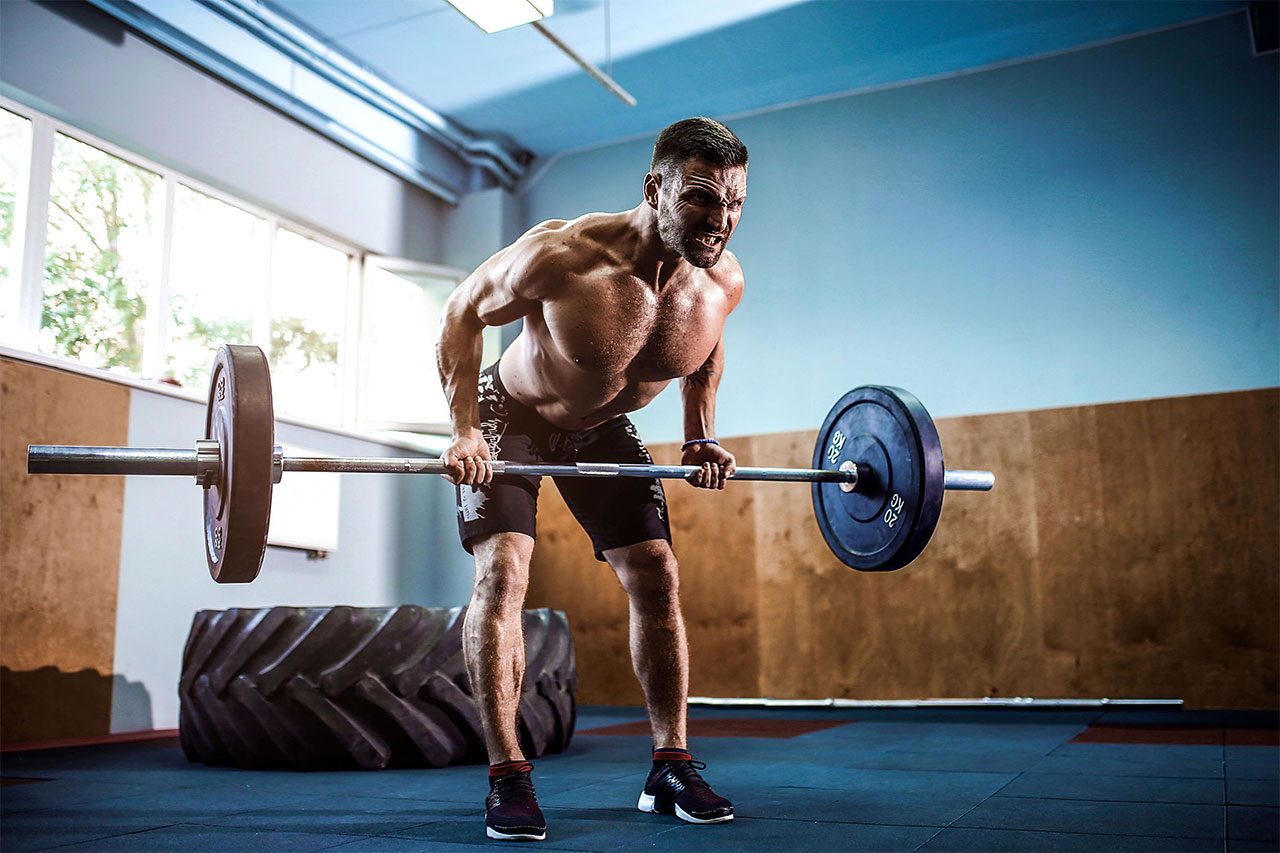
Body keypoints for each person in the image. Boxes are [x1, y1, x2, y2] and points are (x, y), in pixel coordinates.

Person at [437, 117, 748, 842]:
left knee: (657, 572)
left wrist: (700, 432)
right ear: (655, 188)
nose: (721, 220)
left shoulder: (720, 284)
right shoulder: (563, 256)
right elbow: (459, 314)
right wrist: (462, 429)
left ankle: (670, 764)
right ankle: (507, 774)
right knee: (504, 574)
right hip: (509, 412)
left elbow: (703, 354)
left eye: (734, 202)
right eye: (702, 198)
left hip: (601, 430)